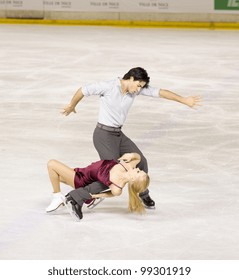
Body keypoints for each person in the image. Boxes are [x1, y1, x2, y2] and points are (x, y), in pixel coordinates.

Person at [62, 67, 202, 208]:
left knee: (142, 162)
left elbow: (161, 92)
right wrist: (71, 105)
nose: (138, 90)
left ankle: (143, 193)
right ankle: (76, 197)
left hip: (118, 134)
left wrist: (184, 100)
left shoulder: (134, 91)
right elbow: (83, 90)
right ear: (131, 78)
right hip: (103, 135)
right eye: (138, 85)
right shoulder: (108, 87)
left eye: (141, 87)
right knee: (110, 174)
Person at [46, 153, 150, 220]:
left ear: (132, 180)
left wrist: (93, 196)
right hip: (84, 171)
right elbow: (138, 158)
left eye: (138, 172)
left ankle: (57, 196)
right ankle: (73, 199)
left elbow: (110, 194)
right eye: (140, 170)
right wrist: (132, 155)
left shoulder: (118, 187)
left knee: (51, 164)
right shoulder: (129, 165)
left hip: (81, 180)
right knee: (55, 176)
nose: (138, 169)